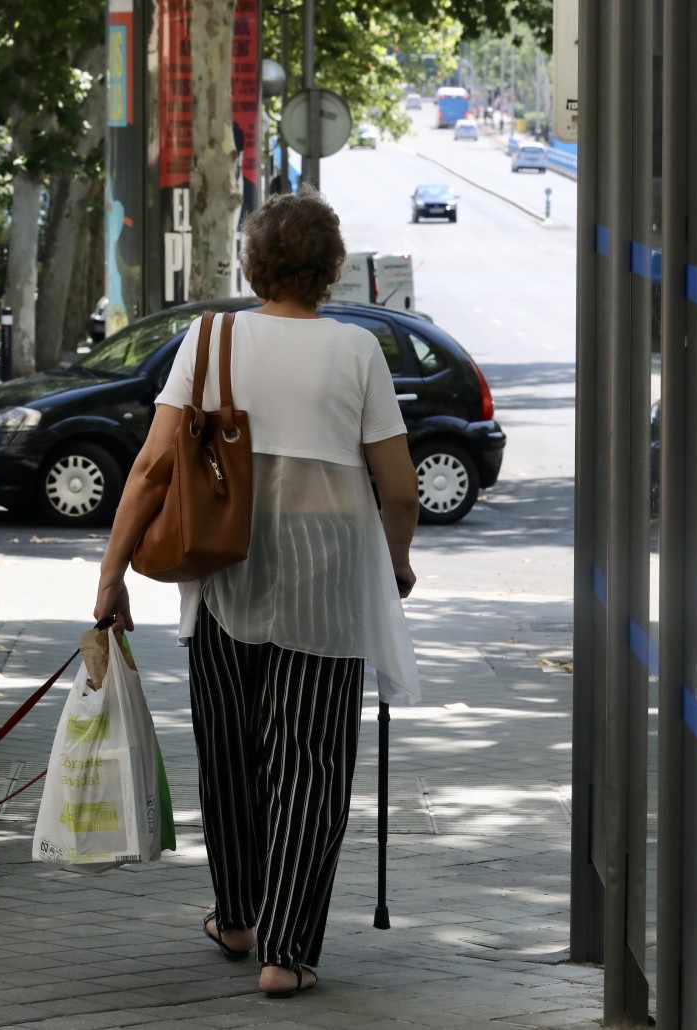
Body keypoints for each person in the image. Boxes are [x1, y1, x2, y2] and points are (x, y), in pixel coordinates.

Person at [93, 187, 420, 999]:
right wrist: (397, 562)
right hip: (326, 583)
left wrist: (111, 575)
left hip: (222, 575)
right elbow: (400, 488)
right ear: (332, 270)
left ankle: (236, 917)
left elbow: (151, 468)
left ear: (253, 264)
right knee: (309, 765)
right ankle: (286, 953)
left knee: (230, 755)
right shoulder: (358, 351)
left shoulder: (210, 338)